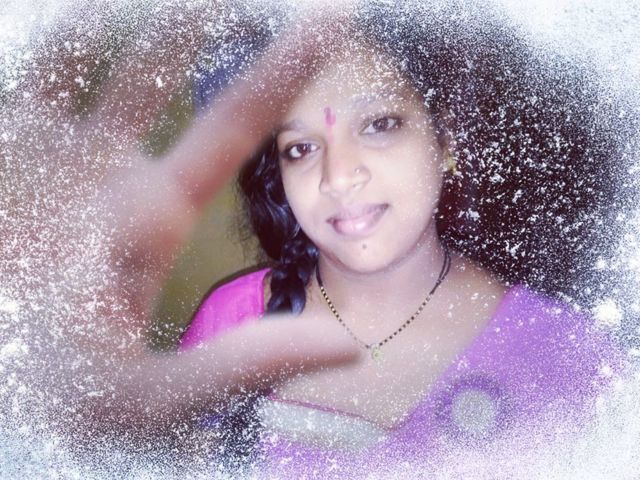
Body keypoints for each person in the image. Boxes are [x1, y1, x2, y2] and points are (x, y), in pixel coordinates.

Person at [178, 9, 623, 476]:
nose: (338, 177)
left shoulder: (567, 358)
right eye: (301, 148)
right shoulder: (230, 325)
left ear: (445, 139)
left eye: (378, 124)